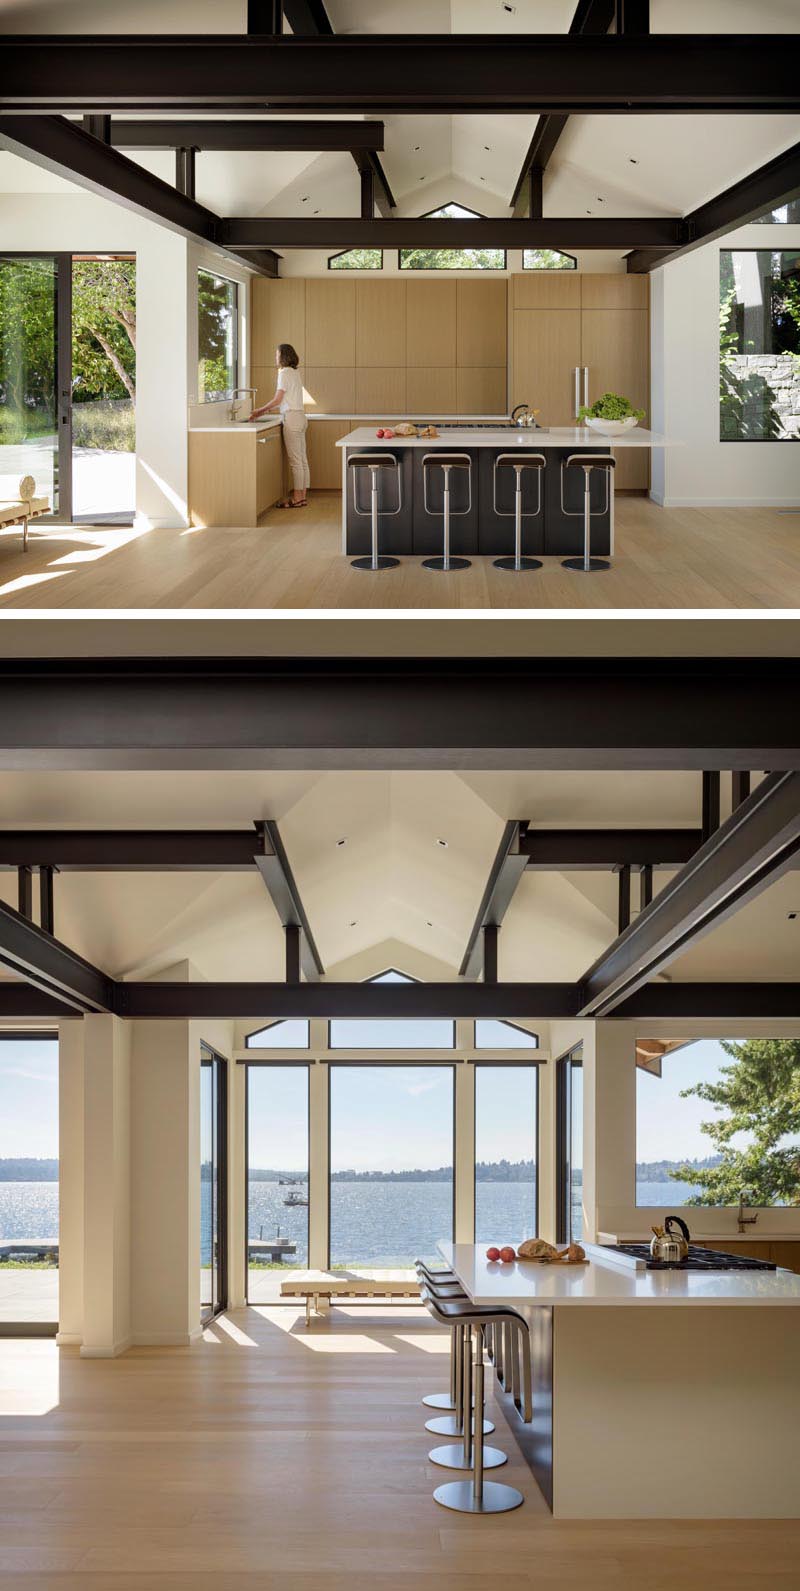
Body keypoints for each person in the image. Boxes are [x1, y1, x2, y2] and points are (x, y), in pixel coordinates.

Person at [249, 343, 309, 508]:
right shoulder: (295, 372)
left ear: (283, 356)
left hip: (292, 418)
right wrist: (263, 412)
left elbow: (277, 400)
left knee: (296, 461)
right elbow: (282, 400)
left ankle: (297, 499)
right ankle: (302, 496)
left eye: (277, 355)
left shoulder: (283, 373)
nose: (275, 358)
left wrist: (259, 411)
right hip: (301, 417)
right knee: (302, 460)